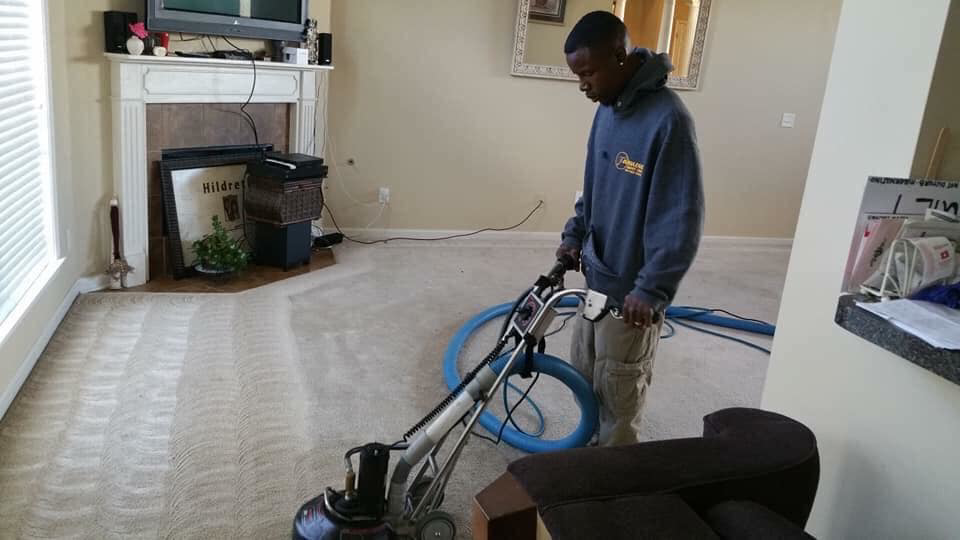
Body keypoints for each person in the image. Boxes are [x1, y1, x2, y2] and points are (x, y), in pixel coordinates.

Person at [557, 11, 704, 446]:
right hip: (596, 278)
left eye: (588, 73)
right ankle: (588, 458)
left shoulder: (669, 122)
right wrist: (573, 235)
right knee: (585, 374)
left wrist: (653, 288)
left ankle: (614, 490)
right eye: (576, 76)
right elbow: (592, 186)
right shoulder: (606, 111)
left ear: (620, 57)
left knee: (618, 396)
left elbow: (681, 217)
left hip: (632, 295)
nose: (582, 84)